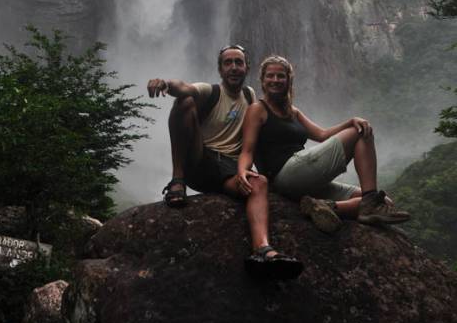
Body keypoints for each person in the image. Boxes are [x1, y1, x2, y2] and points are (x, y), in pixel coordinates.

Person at [147, 45, 303, 280]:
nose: (233, 67)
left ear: (246, 68)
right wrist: (166, 85)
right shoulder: (210, 91)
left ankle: (262, 250)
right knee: (184, 102)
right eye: (228, 62)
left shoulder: (251, 97)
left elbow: (259, 135)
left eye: (238, 62)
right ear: (220, 69)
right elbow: (185, 88)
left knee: (259, 183)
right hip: (201, 160)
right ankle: (177, 180)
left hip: (230, 170)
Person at [237, 55, 410, 234]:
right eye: (270, 76)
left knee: (385, 202)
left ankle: (326, 207)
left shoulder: (292, 112)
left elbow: (322, 135)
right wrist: (243, 171)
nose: (275, 80)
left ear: (289, 80)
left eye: (281, 76)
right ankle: (369, 202)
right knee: (359, 133)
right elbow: (247, 150)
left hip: (303, 177)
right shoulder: (257, 109)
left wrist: (350, 121)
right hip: (283, 175)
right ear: (262, 81)